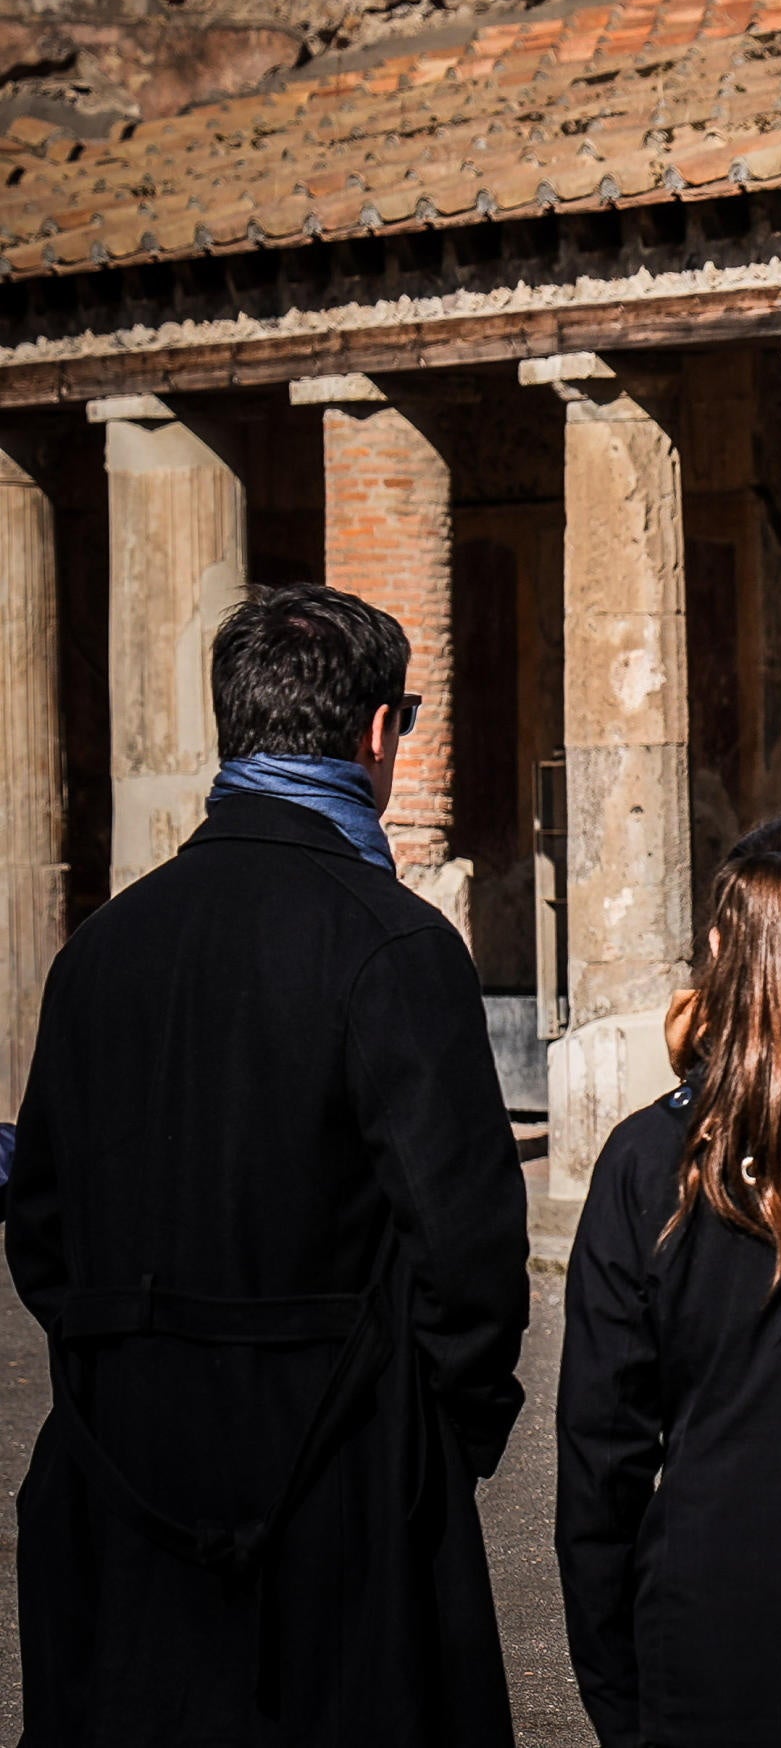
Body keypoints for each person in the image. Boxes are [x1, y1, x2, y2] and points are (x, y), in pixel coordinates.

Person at [9, 582, 532, 1745]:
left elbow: (41, 1225)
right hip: (342, 1487)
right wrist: (446, 1430)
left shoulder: (100, 952)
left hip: (125, 1474)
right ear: (378, 732)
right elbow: (468, 1252)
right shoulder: (393, 944)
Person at [556, 812, 781, 1748]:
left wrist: (616, 1690)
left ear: (721, 947)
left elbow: (603, 1455)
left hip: (708, 1609)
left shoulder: (649, 1154)